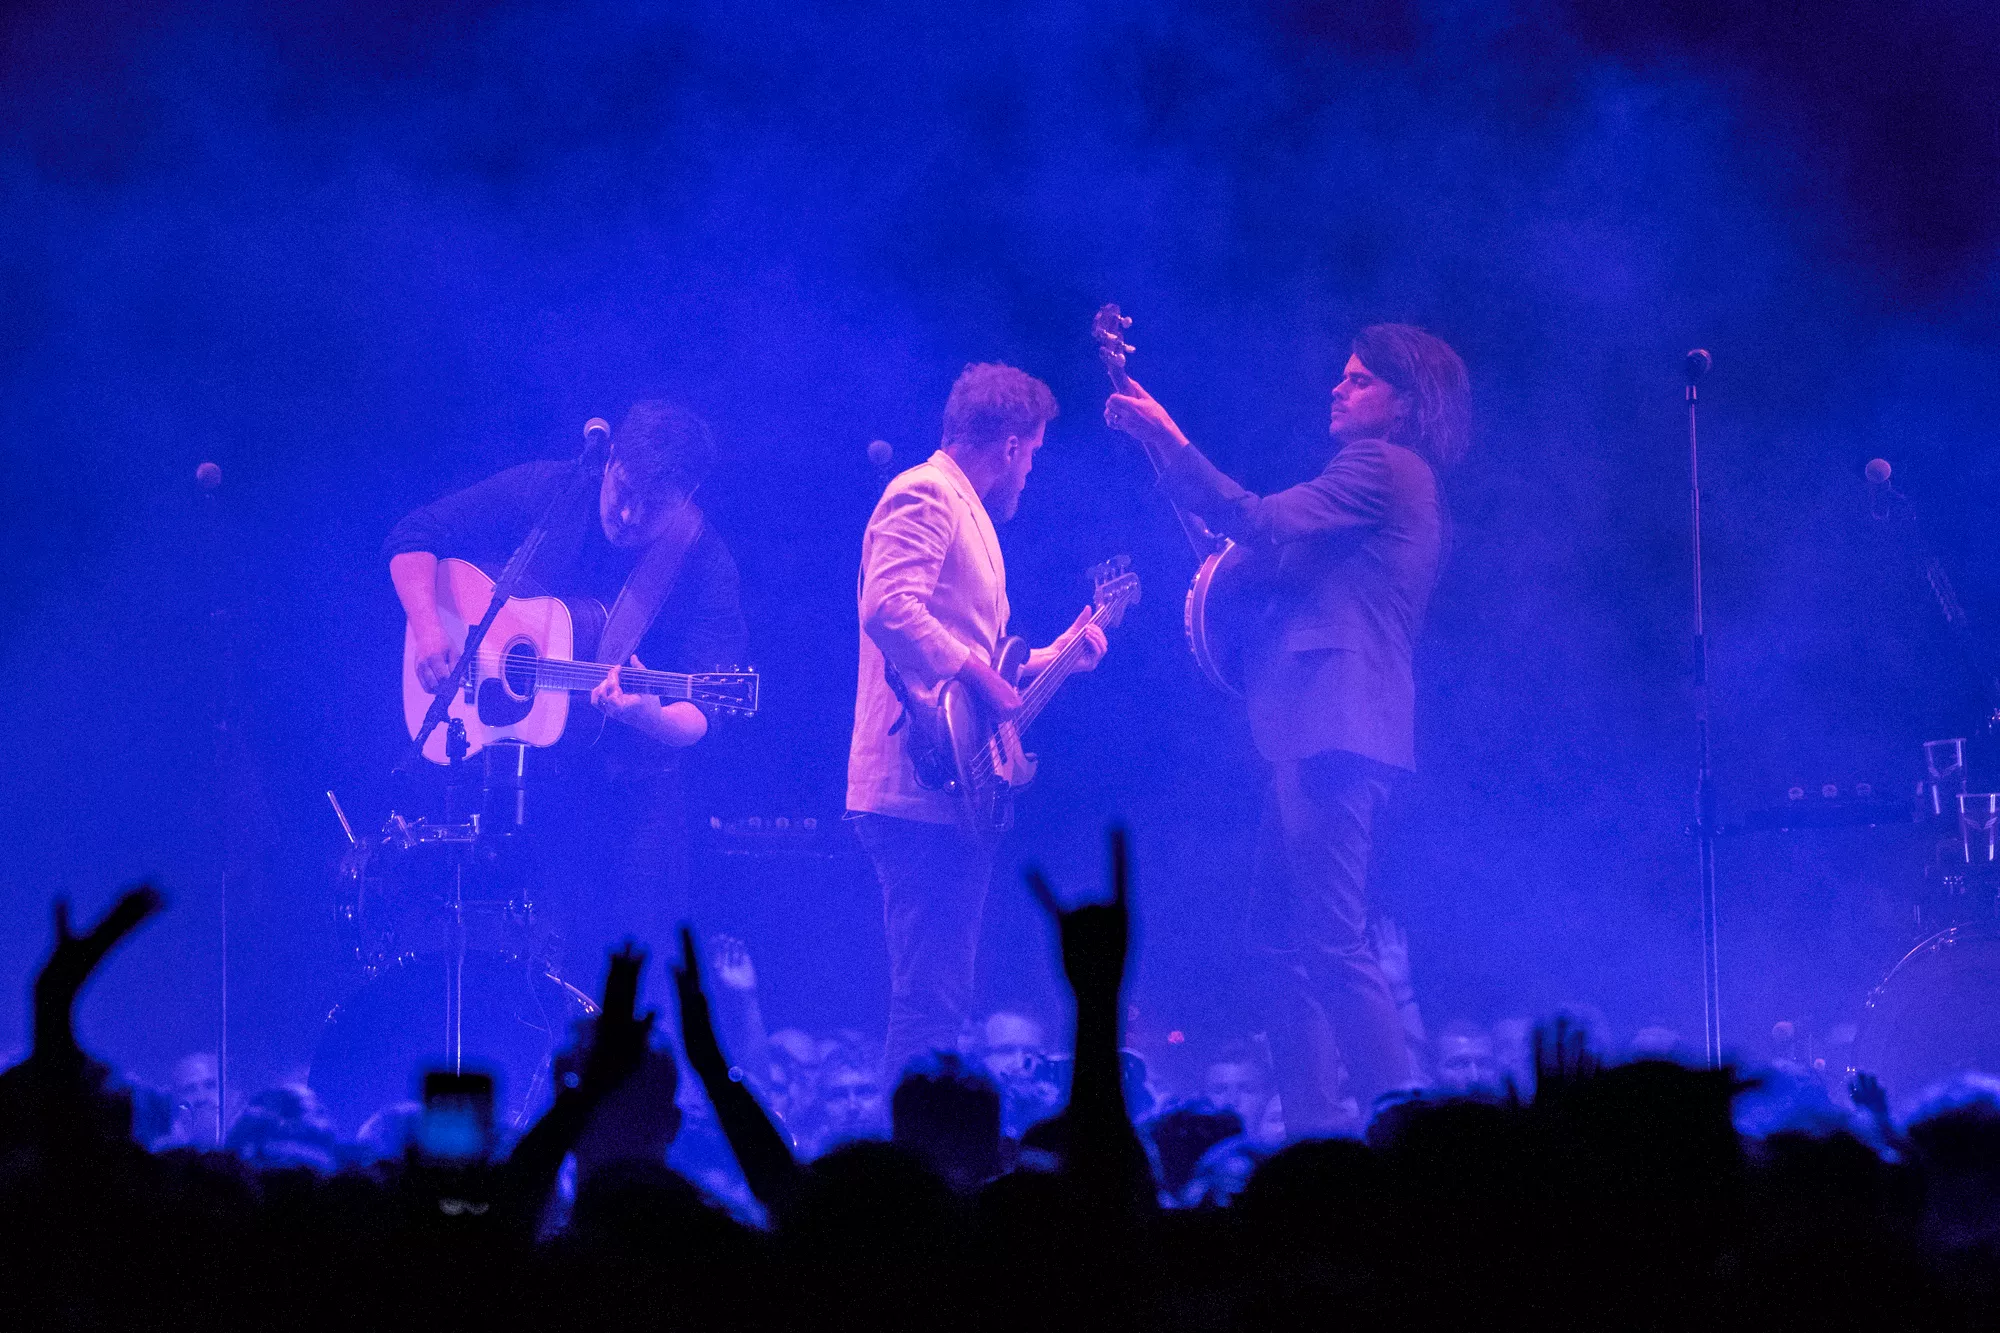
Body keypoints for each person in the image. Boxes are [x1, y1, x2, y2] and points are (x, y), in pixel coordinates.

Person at [1106, 325, 1470, 1134]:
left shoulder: (1382, 466)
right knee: (1277, 942)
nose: (1338, 389)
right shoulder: (1366, 501)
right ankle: (1315, 1131)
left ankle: (1402, 1130)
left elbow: (1257, 518)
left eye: (1359, 380)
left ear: (1404, 405)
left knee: (1334, 942)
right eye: (1340, 376)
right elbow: (1240, 551)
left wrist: (1171, 436)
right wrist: (1162, 453)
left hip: (1338, 728)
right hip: (1316, 729)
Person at [384, 400, 748, 968]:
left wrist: (644, 713)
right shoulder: (556, 490)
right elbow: (415, 535)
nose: (627, 516)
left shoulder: (704, 563)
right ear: (609, 464)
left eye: (651, 508)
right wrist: (429, 629)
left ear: (687, 496)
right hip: (519, 779)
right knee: (519, 959)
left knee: (633, 970)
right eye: (621, 490)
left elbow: (703, 714)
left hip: (633, 798)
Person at [847, 363, 1108, 1081]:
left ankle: (916, 1159)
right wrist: (975, 668)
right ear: (1014, 445)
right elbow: (887, 608)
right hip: (914, 780)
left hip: (951, 782)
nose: (1031, 472)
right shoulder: (926, 491)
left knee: (940, 997)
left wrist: (1055, 656)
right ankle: (907, 1168)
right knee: (928, 999)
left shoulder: (963, 508)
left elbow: (976, 664)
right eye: (1035, 454)